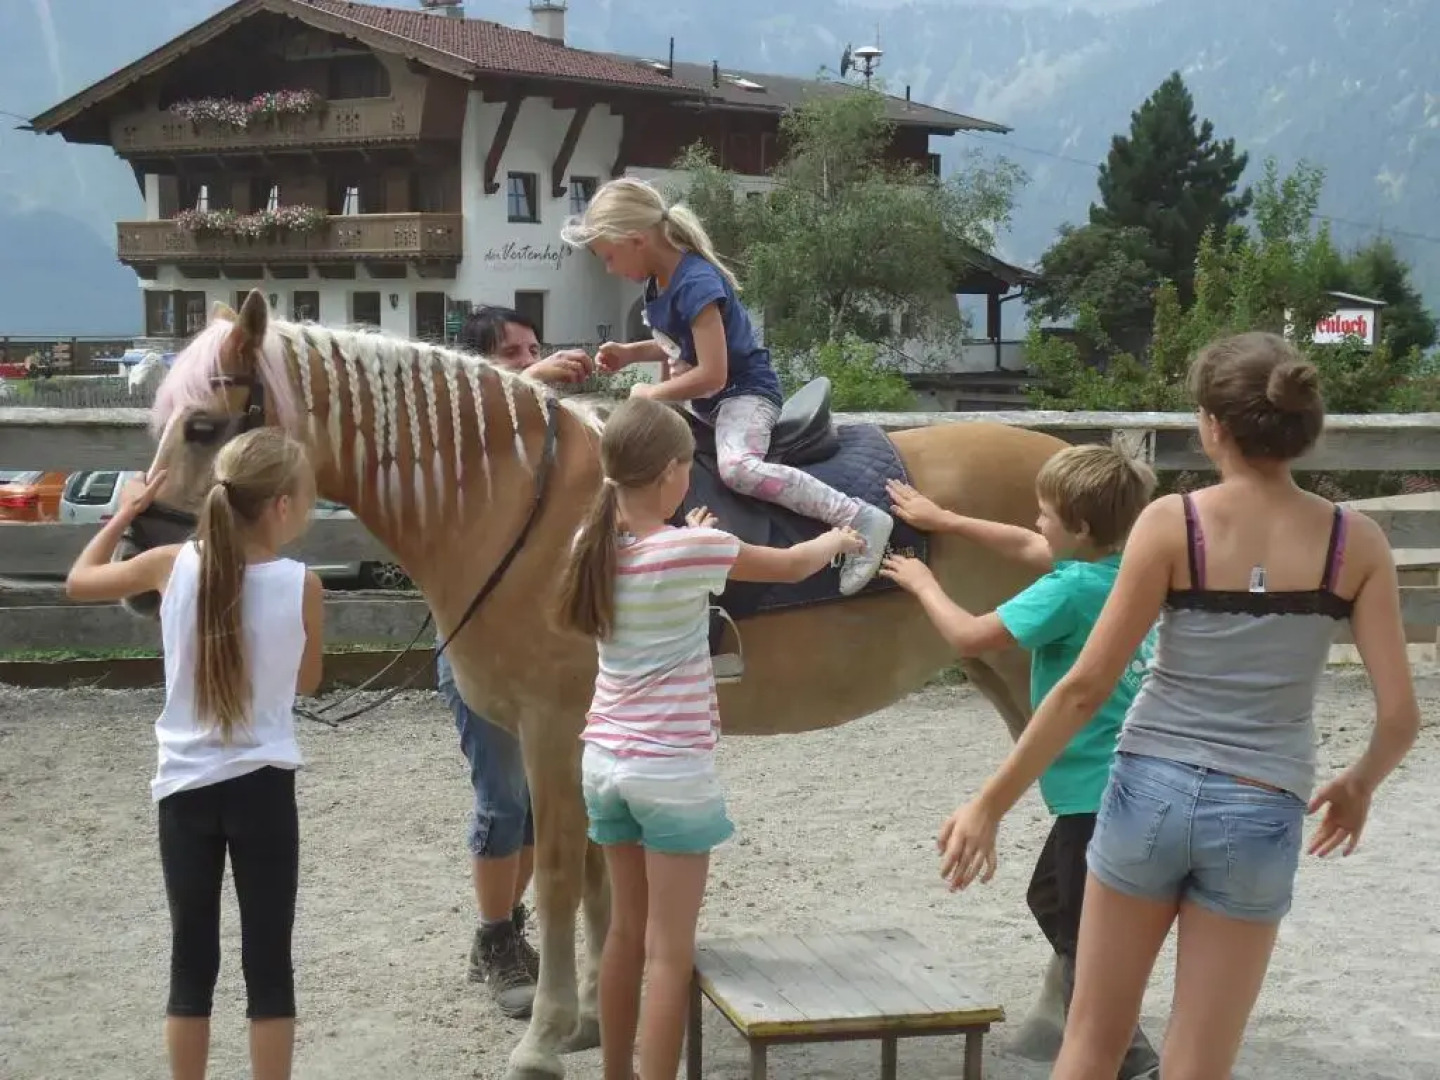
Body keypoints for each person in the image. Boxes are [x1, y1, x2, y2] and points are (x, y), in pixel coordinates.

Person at [934, 332, 1421, 1080]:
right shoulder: (1355, 543)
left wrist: (990, 803)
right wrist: (1358, 784)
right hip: (1260, 803)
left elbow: (1084, 688)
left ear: (1213, 426)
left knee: (1091, 1042)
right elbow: (1399, 718)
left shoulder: (1173, 522)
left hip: (1148, 794)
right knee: (1200, 1062)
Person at [554, 396, 863, 1080]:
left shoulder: (592, 545)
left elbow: (663, 553)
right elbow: (792, 564)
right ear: (672, 472)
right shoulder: (691, 550)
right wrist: (838, 538)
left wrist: (685, 533)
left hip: (603, 763)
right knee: (670, 952)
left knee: (624, 933)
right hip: (670, 773)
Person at [880, 444, 1161, 1080]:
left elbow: (969, 637)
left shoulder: (1068, 589)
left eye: (1044, 514)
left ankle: (1129, 1056)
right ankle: (1117, 1036)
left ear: (1079, 528)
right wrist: (946, 520)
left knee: (1082, 932)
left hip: (1093, 794)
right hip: (1124, 783)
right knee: (1051, 899)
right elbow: (1026, 545)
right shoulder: (1120, 569)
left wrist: (923, 582)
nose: (1036, 523)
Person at [65, 428, 324, 1080]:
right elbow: (307, 681)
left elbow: (80, 581)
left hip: (183, 789)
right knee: (269, 964)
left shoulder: (169, 565)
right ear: (281, 507)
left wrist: (125, 512)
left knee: (191, 962)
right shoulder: (303, 584)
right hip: (264, 787)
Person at [559, 176, 893, 597]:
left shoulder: (696, 284)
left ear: (636, 240)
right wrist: (630, 353)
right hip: (707, 402)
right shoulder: (658, 284)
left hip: (743, 394)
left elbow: (713, 373)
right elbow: (681, 344)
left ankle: (858, 516)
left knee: (737, 468)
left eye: (609, 257)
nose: (609, 269)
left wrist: (652, 394)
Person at [438, 304, 594, 1017]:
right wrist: (535, 379)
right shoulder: (461, 440)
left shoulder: (540, 438)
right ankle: (495, 937)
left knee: (535, 802)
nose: (531, 360)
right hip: (477, 646)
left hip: (533, 646)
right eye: (513, 353)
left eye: (535, 348)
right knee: (503, 802)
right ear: (478, 367)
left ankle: (505, 931)